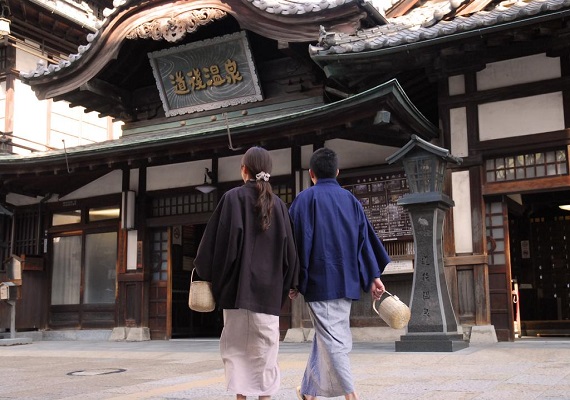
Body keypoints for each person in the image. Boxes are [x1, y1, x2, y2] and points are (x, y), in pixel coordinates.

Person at [194, 146, 299, 400]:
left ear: (244, 170)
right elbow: (290, 253)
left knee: (237, 353)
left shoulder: (232, 199)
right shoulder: (279, 206)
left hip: (236, 292)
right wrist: (291, 283)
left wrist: (208, 275)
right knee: (266, 355)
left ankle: (241, 398)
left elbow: (219, 246)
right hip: (269, 295)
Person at [289, 147, 390, 400]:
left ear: (311, 174)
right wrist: (373, 275)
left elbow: (294, 244)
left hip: (318, 281)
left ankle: (348, 394)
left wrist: (293, 280)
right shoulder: (351, 201)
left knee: (332, 340)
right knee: (331, 337)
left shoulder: (304, 200)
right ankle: (309, 392)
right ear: (337, 171)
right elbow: (364, 241)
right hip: (346, 281)